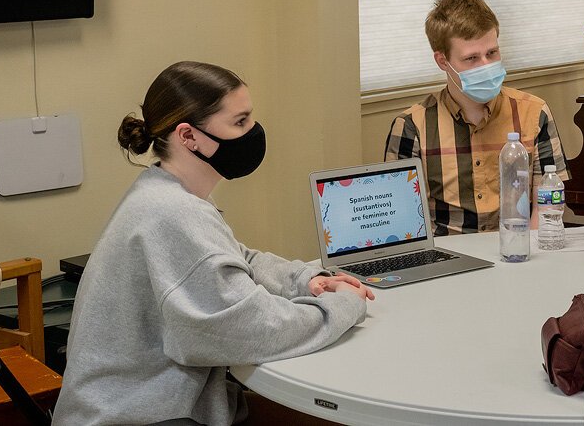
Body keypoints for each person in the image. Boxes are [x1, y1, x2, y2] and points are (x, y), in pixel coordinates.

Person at [55, 62, 373, 426]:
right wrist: (342, 307)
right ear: (189, 137)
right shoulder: (174, 214)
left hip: (144, 406)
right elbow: (250, 329)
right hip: (142, 416)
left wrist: (305, 280)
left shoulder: (163, 191)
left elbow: (233, 257)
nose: (252, 132)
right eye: (240, 122)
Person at [384, 0, 570, 236]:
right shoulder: (412, 126)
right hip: (448, 258)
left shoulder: (534, 113)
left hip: (519, 249)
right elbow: (402, 218)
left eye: (492, 53)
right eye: (471, 58)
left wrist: (529, 255)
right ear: (442, 61)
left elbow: (548, 205)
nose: (486, 66)